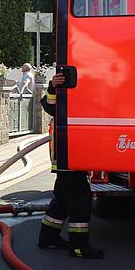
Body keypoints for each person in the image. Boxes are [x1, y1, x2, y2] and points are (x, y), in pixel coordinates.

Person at [37, 72, 104, 259]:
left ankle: (48, 237)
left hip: (70, 156)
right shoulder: (66, 89)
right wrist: (53, 87)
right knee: (80, 201)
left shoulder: (77, 90)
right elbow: (50, 106)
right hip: (70, 156)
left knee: (63, 200)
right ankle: (79, 246)